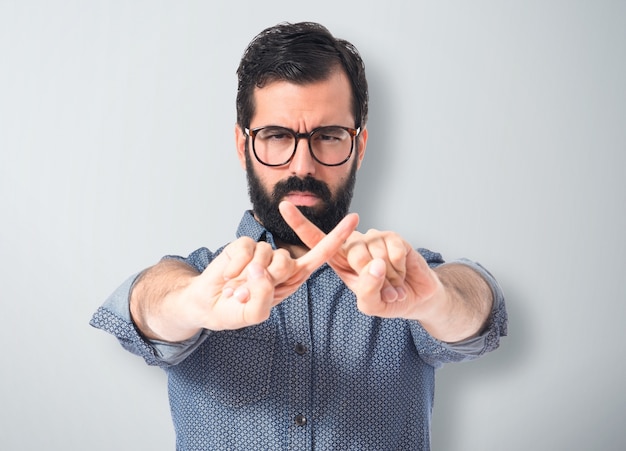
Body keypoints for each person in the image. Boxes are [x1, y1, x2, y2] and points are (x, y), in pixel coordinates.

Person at [90, 21, 507, 450]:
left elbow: (476, 303)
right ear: (242, 146)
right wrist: (189, 302)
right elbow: (145, 305)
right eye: (276, 136)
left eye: (328, 136)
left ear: (359, 147)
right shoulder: (205, 278)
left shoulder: (399, 282)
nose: (302, 165)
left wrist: (438, 299)